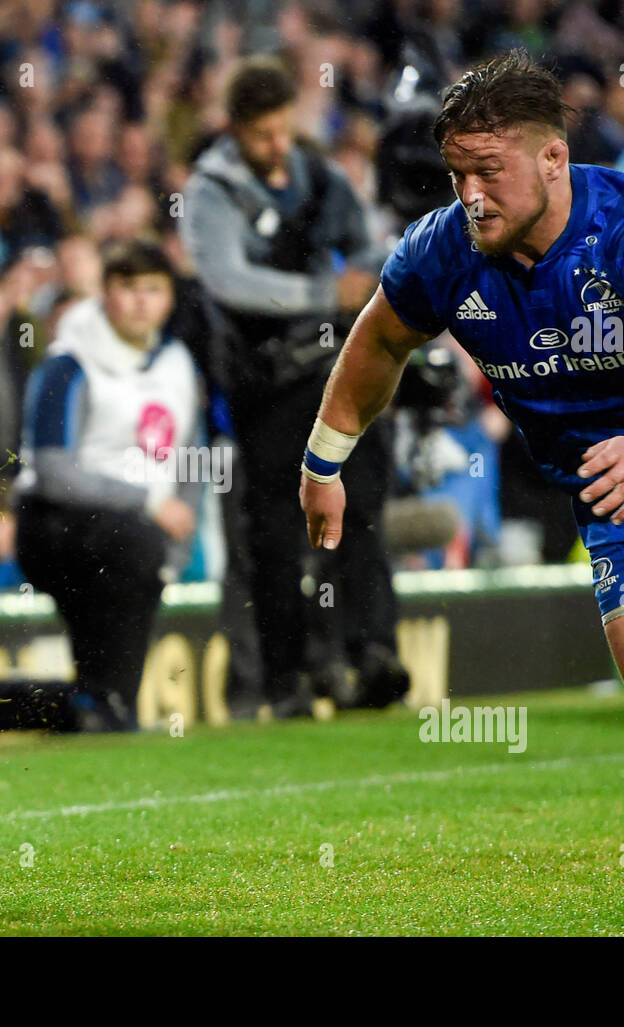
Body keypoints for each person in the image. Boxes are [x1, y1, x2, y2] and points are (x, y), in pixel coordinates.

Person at [300, 51, 624, 894]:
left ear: (553, 158)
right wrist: (324, 459)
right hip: (614, 483)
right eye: (456, 174)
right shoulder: (443, 250)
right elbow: (379, 340)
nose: (469, 195)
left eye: (488, 171)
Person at [181, 56, 407, 718]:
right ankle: (288, 678)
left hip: (336, 367)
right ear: (234, 129)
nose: (277, 146)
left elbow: (367, 246)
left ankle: (372, 654)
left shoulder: (315, 171)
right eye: (262, 136)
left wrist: (360, 282)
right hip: (266, 384)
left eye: (283, 130)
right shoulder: (210, 190)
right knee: (277, 533)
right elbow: (226, 280)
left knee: (363, 505)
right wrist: (323, 292)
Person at [14, 240, 201, 731]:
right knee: (134, 544)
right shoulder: (68, 362)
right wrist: (148, 503)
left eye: (154, 290)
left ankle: (95, 706)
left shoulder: (178, 365)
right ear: (105, 293)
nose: (141, 301)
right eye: (129, 288)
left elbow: (192, 456)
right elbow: (54, 473)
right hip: (55, 522)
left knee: (138, 549)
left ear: (170, 299)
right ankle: (107, 704)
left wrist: (177, 541)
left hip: (139, 530)